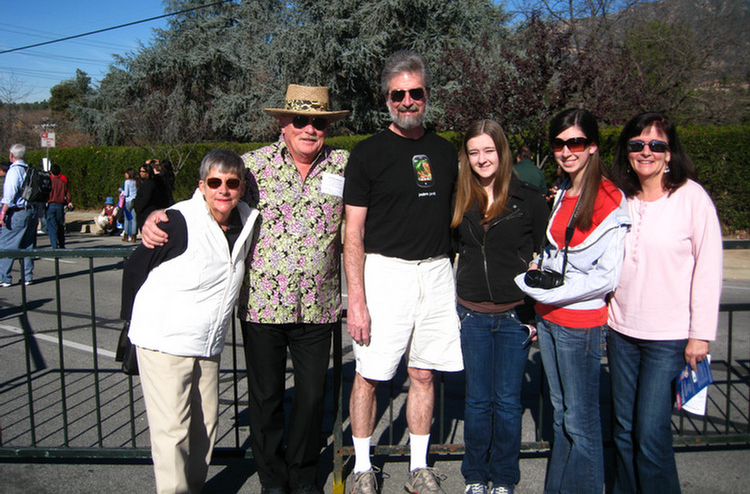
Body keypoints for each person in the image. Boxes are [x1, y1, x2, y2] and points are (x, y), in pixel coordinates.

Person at [141, 84, 350, 494]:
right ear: (282, 123)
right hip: (261, 306)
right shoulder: (253, 168)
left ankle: (304, 477)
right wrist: (155, 216)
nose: (310, 128)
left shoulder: (344, 165)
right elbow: (208, 200)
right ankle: (272, 480)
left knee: (310, 400)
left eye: (319, 121)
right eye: (301, 120)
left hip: (318, 306)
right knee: (266, 400)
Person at [344, 50, 462, 494]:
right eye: (399, 94)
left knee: (424, 373)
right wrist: (357, 299)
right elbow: (352, 233)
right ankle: (361, 467)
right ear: (386, 99)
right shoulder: (368, 153)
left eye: (415, 93)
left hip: (434, 273)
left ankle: (418, 467)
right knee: (370, 374)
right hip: (385, 274)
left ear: (427, 95)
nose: (407, 101)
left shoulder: (446, 152)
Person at [121, 149, 259, 494]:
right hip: (164, 343)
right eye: (215, 182)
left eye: (231, 183)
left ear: (241, 187)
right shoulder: (178, 220)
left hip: (207, 345)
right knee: (173, 431)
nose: (223, 190)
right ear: (202, 185)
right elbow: (136, 268)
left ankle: (192, 488)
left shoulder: (245, 221)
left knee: (205, 428)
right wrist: (128, 328)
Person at [514, 108, 630, 494]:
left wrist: (555, 291)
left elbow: (606, 276)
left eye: (575, 142)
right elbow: (558, 250)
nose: (566, 151)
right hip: (549, 318)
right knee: (561, 414)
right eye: (559, 143)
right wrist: (540, 267)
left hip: (579, 323)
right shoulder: (563, 190)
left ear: (593, 147)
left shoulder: (611, 199)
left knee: (581, 421)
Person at [607, 112, 722, 494]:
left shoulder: (692, 198)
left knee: (651, 436)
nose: (646, 152)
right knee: (623, 432)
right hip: (621, 330)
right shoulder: (620, 197)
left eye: (656, 145)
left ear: (670, 153)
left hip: (668, 338)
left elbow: (709, 268)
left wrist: (700, 335)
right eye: (638, 145)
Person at [452, 120, 548, 494]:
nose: (481, 159)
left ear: (501, 152)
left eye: (488, 150)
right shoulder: (460, 197)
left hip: (514, 315)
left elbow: (549, 252)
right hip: (471, 313)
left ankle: (504, 477)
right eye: (474, 152)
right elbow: (449, 246)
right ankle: (475, 475)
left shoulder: (529, 199)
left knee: (507, 403)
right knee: (477, 402)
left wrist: (537, 301)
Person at [0, 144, 39, 287]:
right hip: (31, 210)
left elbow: (9, 194)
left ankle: (4, 277)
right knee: (28, 245)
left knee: (6, 244)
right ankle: (28, 276)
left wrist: (3, 212)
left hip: (17, 211)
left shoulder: (13, 171)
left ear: (11, 155)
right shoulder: (29, 170)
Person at [133, 163, 171, 233]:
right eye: (140, 171)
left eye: (143, 171)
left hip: (147, 211)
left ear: (148, 172)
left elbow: (146, 198)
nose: (141, 173)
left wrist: (139, 208)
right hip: (142, 212)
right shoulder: (143, 183)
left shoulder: (150, 184)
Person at [46, 163, 72, 249]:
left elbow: (45, 194)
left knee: (52, 227)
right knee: (60, 226)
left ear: (50, 172)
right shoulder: (63, 183)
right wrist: (68, 202)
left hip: (50, 205)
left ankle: (54, 246)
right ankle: (62, 245)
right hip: (60, 206)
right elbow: (68, 195)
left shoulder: (48, 182)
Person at [119, 168, 138, 243]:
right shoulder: (136, 181)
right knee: (134, 219)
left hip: (128, 201)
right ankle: (133, 236)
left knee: (127, 219)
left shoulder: (127, 182)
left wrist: (121, 191)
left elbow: (126, 193)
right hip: (135, 200)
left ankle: (126, 235)